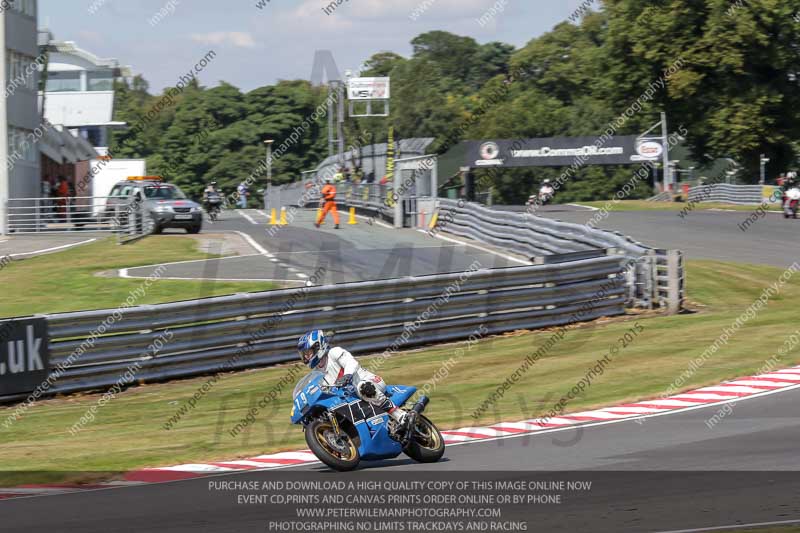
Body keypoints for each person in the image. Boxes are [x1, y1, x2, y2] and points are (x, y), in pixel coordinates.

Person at [297, 330, 414, 430]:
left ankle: (400, 415)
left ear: (318, 346)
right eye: (304, 354)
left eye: (308, 353)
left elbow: (351, 362)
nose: (306, 357)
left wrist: (347, 375)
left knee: (363, 388)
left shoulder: (334, 353)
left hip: (369, 382)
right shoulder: (317, 373)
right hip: (351, 397)